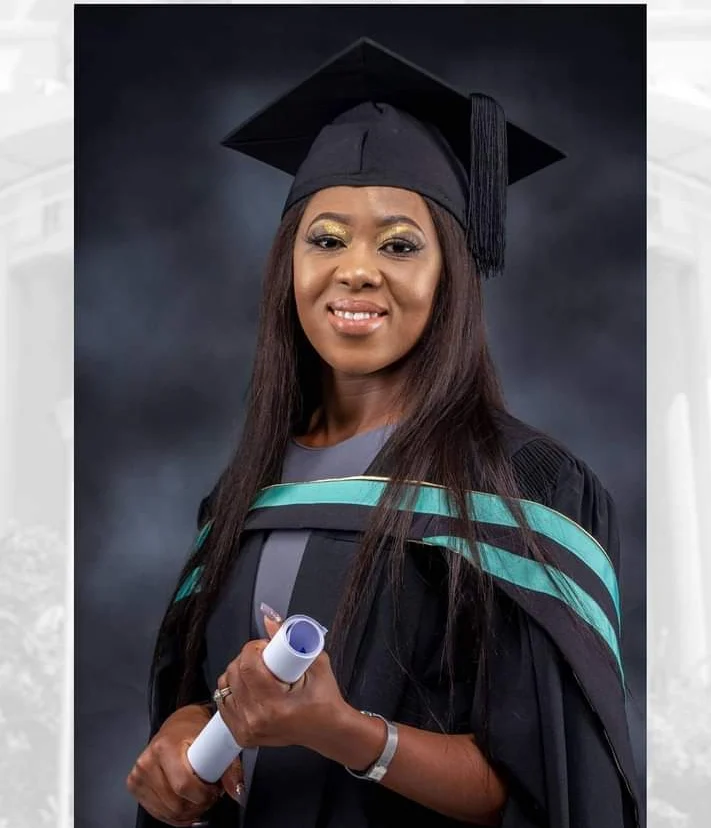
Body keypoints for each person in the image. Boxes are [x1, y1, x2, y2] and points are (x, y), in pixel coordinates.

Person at [126, 38, 642, 828]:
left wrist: (344, 732)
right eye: (325, 239)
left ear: (449, 274)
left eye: (398, 244)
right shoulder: (242, 494)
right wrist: (186, 728)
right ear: (289, 267)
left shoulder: (527, 489)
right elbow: (209, 697)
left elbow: (555, 783)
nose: (357, 269)